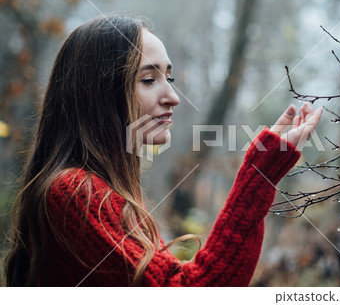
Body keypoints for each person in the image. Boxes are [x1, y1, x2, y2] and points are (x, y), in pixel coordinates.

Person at [4, 15, 322, 286]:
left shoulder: (100, 192)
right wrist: (260, 174)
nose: (173, 96)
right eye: (148, 79)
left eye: (168, 77)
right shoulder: (73, 194)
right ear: (99, 94)